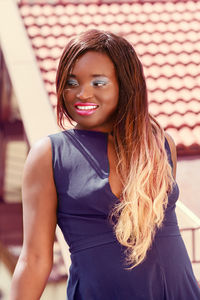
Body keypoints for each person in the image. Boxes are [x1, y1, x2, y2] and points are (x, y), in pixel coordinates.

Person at [10, 29, 200, 300]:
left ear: (125, 84)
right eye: (71, 82)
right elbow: (35, 258)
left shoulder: (160, 144)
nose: (82, 94)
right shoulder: (50, 155)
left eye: (98, 83)